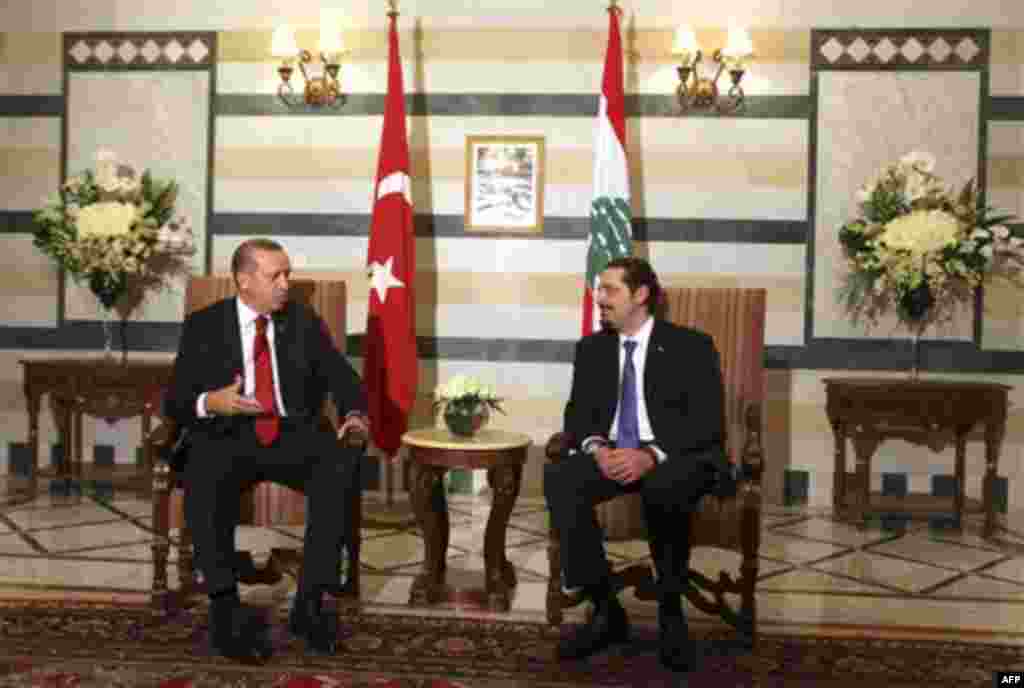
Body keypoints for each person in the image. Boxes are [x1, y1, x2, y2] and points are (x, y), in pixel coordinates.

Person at [165, 238, 368, 662]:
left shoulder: (303, 321)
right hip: (229, 433)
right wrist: (211, 402)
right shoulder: (204, 325)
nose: (285, 284)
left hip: (293, 432)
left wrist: (352, 414)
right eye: (275, 275)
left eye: (287, 274)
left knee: (339, 468)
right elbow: (177, 399)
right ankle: (224, 609)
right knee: (203, 472)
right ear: (244, 281)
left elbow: (341, 376)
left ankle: (309, 605)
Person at [544, 256, 731, 673]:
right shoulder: (591, 349)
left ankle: (670, 614)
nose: (599, 298)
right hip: (612, 454)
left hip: (674, 456)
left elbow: (705, 423)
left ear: (641, 295)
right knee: (560, 476)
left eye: (610, 290)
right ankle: (606, 608)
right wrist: (598, 450)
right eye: (599, 289)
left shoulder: (691, 346)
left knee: (666, 485)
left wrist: (649, 455)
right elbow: (577, 419)